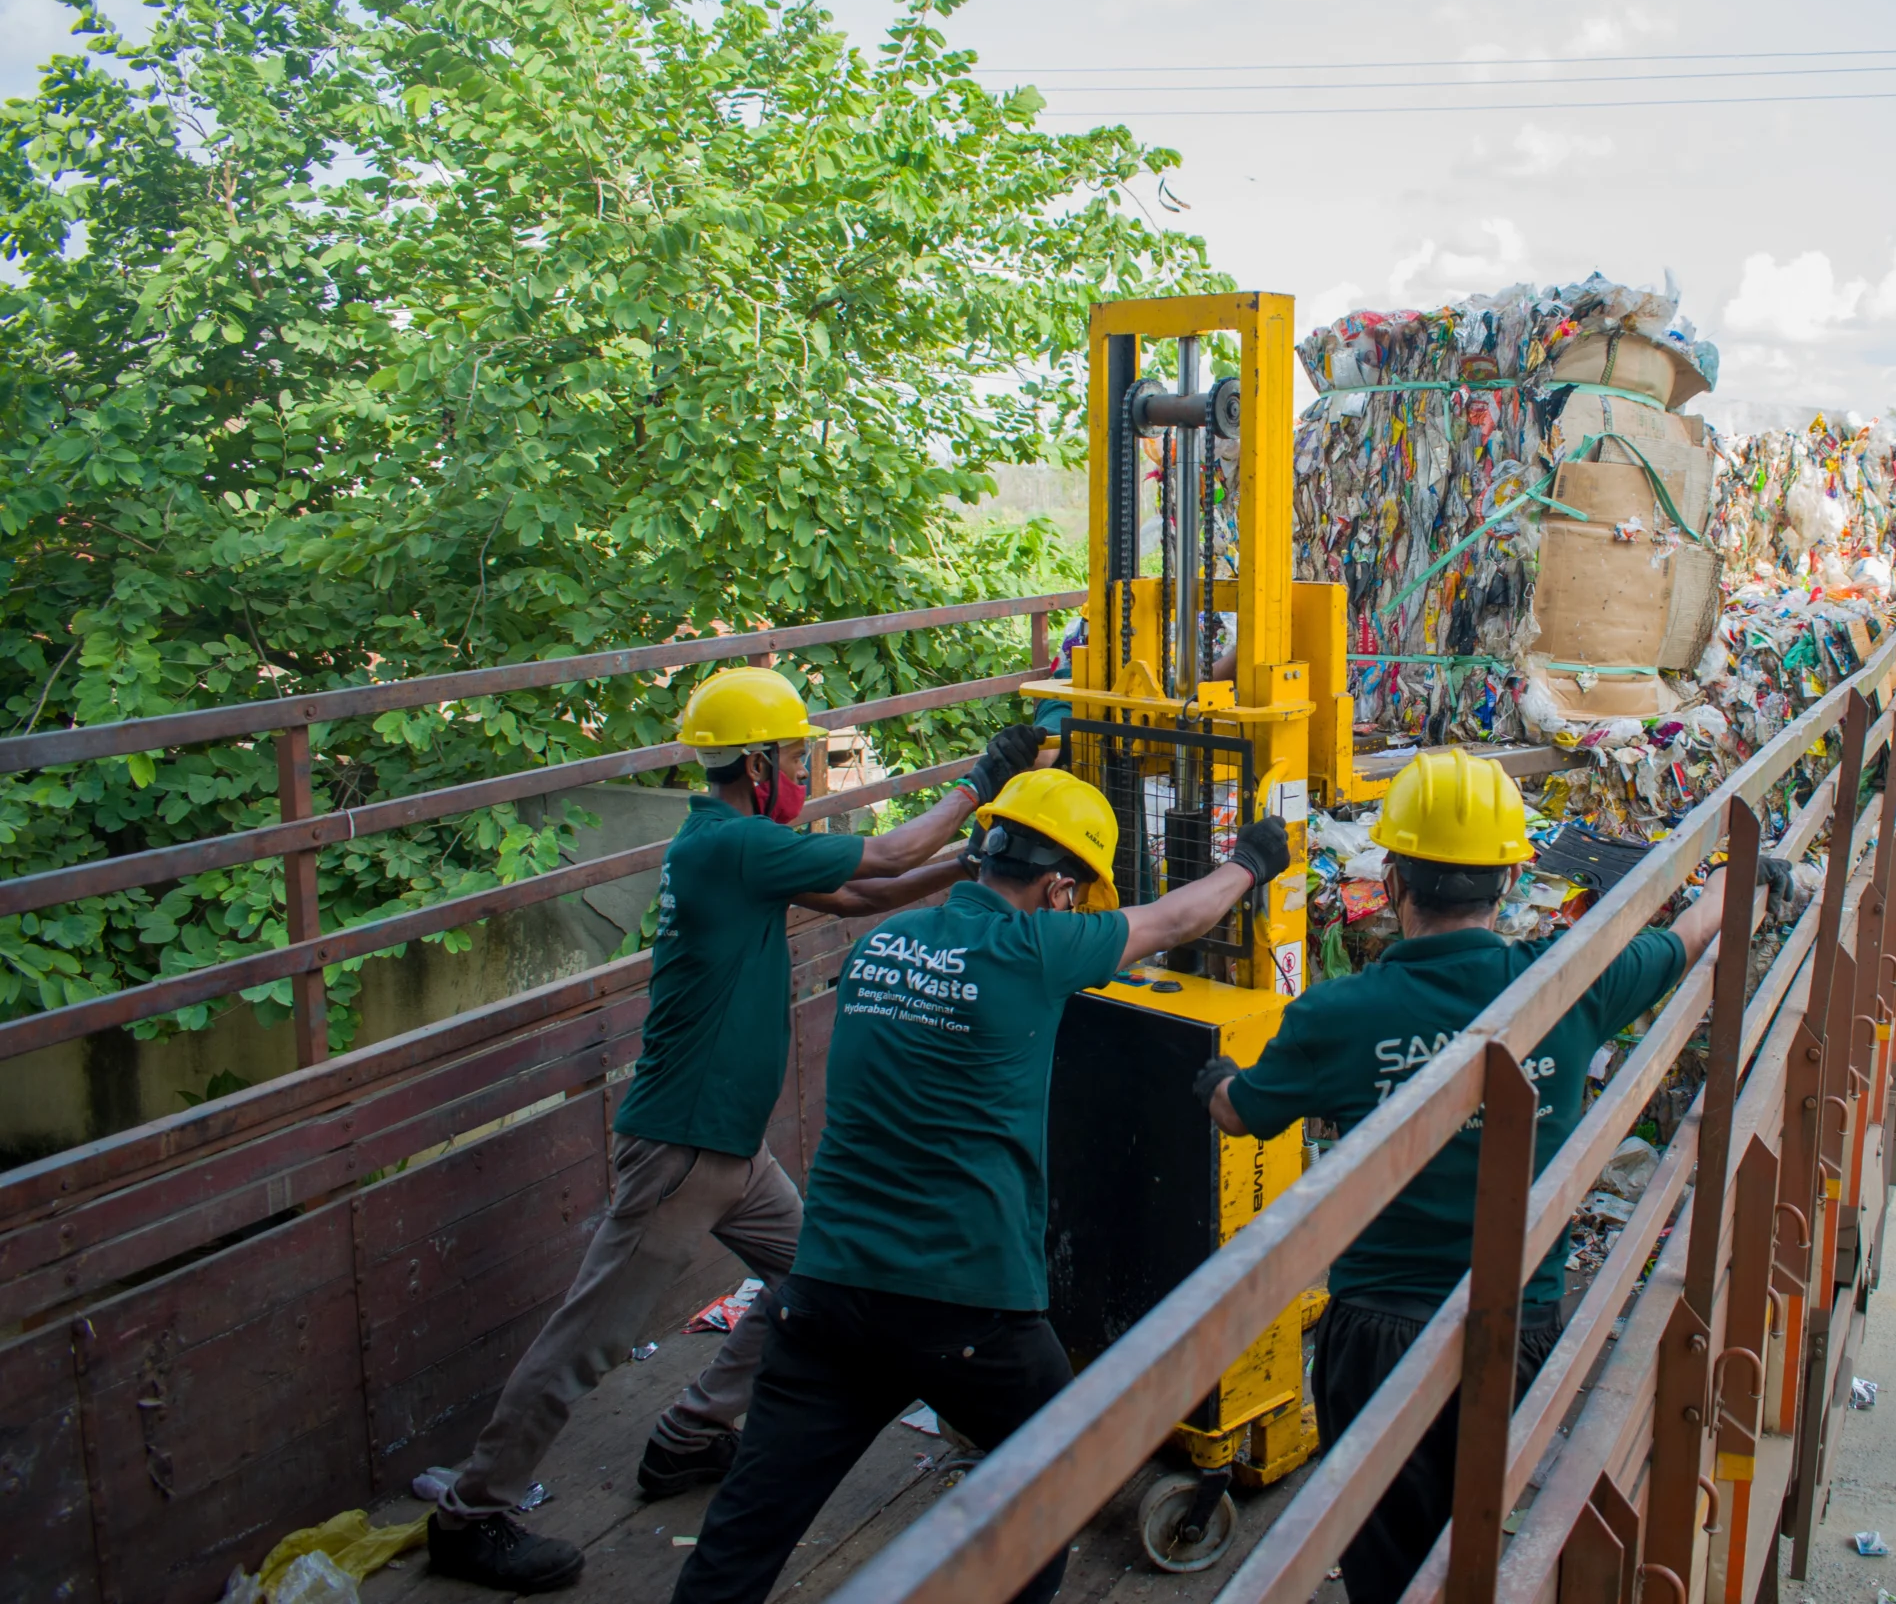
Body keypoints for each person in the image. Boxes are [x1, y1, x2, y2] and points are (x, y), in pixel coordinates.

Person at [428, 665, 1049, 1593]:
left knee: (815, 1281)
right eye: (797, 756)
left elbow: (857, 897)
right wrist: (982, 780)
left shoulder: (737, 845)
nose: (805, 771)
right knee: (588, 1337)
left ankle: (691, 1432)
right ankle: (472, 1513)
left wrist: (975, 864)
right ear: (757, 765)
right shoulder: (732, 847)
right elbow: (880, 858)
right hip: (685, 1144)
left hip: (728, 1146)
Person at [668, 767, 1294, 1604]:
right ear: (1058, 886)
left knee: (742, 1538)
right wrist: (1252, 860)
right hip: (970, 1309)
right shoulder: (1034, 948)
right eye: (1073, 897)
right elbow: (1181, 915)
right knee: (1050, 1492)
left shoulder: (877, 948)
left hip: (826, 1294)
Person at [1193, 747, 1736, 1604]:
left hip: (1375, 1342)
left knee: (1389, 1571)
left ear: (1397, 876)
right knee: (1486, 1551)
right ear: (1512, 879)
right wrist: (1752, 884)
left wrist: (1216, 1080)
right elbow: (1684, 939)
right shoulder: (1567, 987)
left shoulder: (1338, 1015)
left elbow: (1242, 1112)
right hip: (1520, 1330)